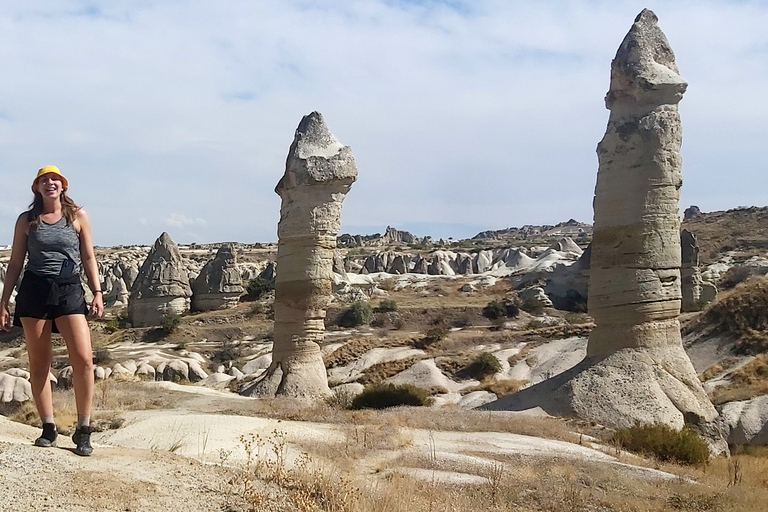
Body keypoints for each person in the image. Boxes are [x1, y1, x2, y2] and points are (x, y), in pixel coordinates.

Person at [0, 166, 103, 456]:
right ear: (37, 188)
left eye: (54, 179)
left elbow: (88, 255)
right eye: (44, 180)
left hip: (69, 288)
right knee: (39, 363)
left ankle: (83, 428)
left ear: (63, 185)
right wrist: (4, 301)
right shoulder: (27, 220)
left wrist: (96, 292)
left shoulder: (77, 216)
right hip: (34, 291)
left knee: (83, 359)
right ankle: (48, 426)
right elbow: (16, 261)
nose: (50, 183)